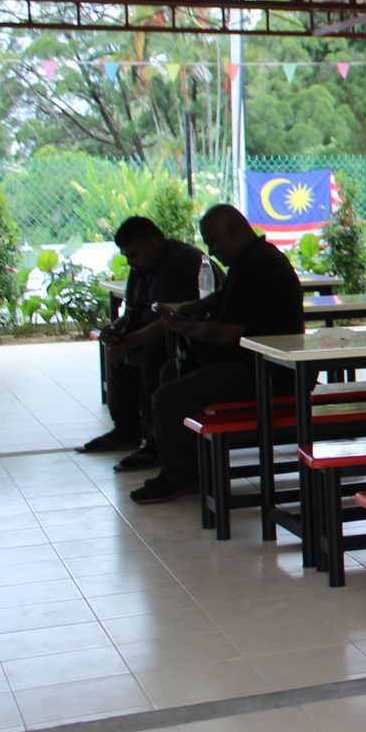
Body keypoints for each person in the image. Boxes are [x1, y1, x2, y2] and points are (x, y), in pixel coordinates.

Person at [130, 204, 305, 506]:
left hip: (265, 372)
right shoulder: (253, 258)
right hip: (253, 364)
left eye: (215, 242)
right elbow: (223, 300)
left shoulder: (256, 265)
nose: (212, 250)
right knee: (170, 372)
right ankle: (194, 466)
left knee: (167, 397)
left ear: (233, 231)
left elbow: (226, 332)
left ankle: (181, 476)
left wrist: (182, 326)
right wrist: (188, 309)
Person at [79, 217, 209, 471]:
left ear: (153, 243)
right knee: (118, 351)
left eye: (134, 255)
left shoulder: (181, 263)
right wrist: (117, 330)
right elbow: (133, 311)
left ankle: (155, 441)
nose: (130, 262)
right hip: (154, 332)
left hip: (183, 338)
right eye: (127, 256)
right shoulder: (142, 267)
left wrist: (130, 342)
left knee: (153, 355)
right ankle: (126, 430)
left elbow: (173, 319)